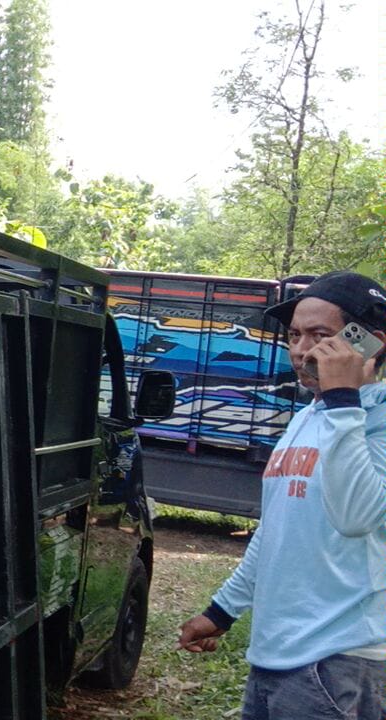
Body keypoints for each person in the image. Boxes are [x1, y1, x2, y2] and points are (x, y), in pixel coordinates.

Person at [177, 271, 386, 720]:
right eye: (294, 335)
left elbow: (356, 517)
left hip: (341, 661)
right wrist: (221, 612)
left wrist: (345, 399)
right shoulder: (310, 417)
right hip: (274, 656)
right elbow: (276, 529)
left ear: (370, 342)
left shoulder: (371, 418)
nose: (300, 350)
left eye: (320, 335)